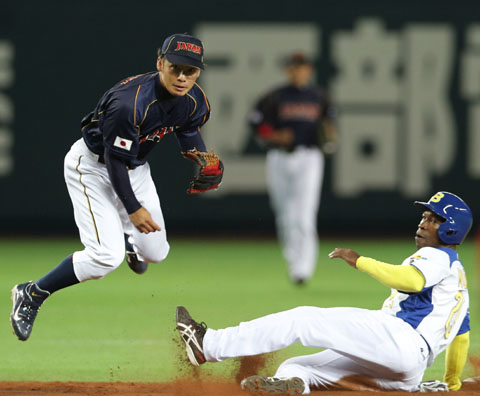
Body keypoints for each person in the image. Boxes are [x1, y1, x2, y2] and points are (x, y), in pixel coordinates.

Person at [10, 33, 223, 342]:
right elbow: (114, 161)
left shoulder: (195, 100)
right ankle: (33, 292)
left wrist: (204, 160)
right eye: (174, 67)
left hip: (134, 169)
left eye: (189, 71)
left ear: (198, 72)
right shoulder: (130, 103)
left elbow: (187, 129)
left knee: (156, 252)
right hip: (93, 168)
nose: (181, 76)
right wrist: (133, 209)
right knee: (103, 258)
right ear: (160, 62)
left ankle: (130, 244)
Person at [176, 191, 472, 394]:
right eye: (424, 216)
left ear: (451, 230)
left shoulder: (438, 257)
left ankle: (210, 345)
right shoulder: (459, 283)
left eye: (434, 220)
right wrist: (452, 382)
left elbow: (411, 280)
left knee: (303, 319)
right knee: (297, 367)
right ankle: (292, 387)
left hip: (399, 339)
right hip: (407, 370)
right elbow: (462, 337)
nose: (423, 223)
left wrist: (360, 261)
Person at [249, 52, 337, 285]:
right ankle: (293, 258)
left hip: (309, 157)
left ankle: (302, 268)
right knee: (284, 213)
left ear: (309, 70)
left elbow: (330, 126)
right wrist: (275, 136)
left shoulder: (319, 97)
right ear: (288, 70)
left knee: (303, 213)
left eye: (302, 67)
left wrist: (329, 135)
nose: (297, 71)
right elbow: (256, 124)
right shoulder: (275, 96)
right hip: (279, 156)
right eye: (293, 67)